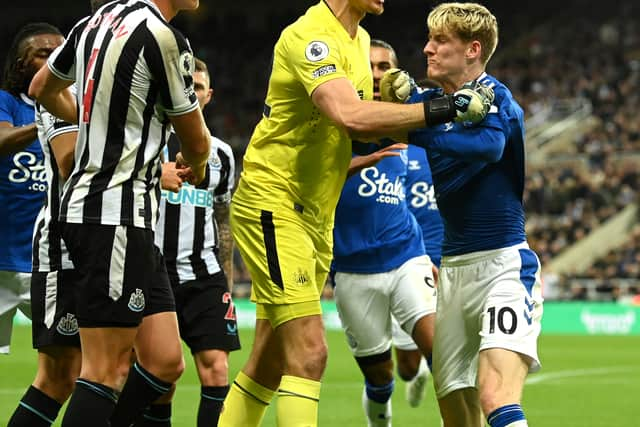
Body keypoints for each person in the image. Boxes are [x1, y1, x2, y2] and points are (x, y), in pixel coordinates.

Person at [218, 1, 494, 426]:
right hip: (275, 202)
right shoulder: (311, 36)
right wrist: (447, 108)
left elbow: (362, 130)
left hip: (315, 214)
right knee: (310, 352)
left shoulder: (360, 40)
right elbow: (348, 115)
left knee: (268, 362)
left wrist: (436, 120)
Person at [28, 0, 211, 425]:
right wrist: (198, 165)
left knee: (166, 361)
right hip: (112, 215)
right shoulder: (163, 37)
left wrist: (93, 123)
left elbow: (43, 88)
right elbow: (197, 141)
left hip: (129, 219)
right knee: (105, 370)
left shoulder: (94, 22)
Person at [385, 3, 544, 426]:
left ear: (473, 50)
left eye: (440, 41)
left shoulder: (494, 95)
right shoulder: (435, 102)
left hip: (503, 267)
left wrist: (416, 129)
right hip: (453, 273)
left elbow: (489, 147)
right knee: (455, 409)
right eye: (429, 39)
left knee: (495, 397)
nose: (427, 49)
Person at [144, 57, 240, 427]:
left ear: (209, 95)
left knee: (217, 369)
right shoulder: (151, 145)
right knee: (162, 377)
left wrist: (227, 283)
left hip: (205, 274)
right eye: (186, 86)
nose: (192, 94)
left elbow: (223, 220)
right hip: (155, 271)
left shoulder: (223, 155)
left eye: (198, 88)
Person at [370, 38, 445, 410]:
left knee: (458, 357)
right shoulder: (385, 142)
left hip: (449, 261)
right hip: (407, 260)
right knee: (405, 365)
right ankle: (416, 377)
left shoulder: (443, 140)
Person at [0, 22, 63, 358]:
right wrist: (46, 121)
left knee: (69, 361)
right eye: (44, 54)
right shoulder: (6, 102)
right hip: (1, 261)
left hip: (50, 263)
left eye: (60, 53)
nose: (55, 60)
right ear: (22, 63)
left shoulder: (77, 109)